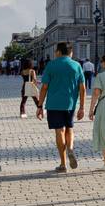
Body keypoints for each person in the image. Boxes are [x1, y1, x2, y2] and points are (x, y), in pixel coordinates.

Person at [36, 41, 87, 173]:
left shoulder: (51, 65)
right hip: (70, 103)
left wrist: (39, 105)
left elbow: (44, 87)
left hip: (53, 104)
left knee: (59, 131)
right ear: (71, 53)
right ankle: (70, 148)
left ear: (58, 52)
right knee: (69, 129)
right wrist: (82, 107)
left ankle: (63, 164)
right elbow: (82, 88)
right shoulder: (76, 66)